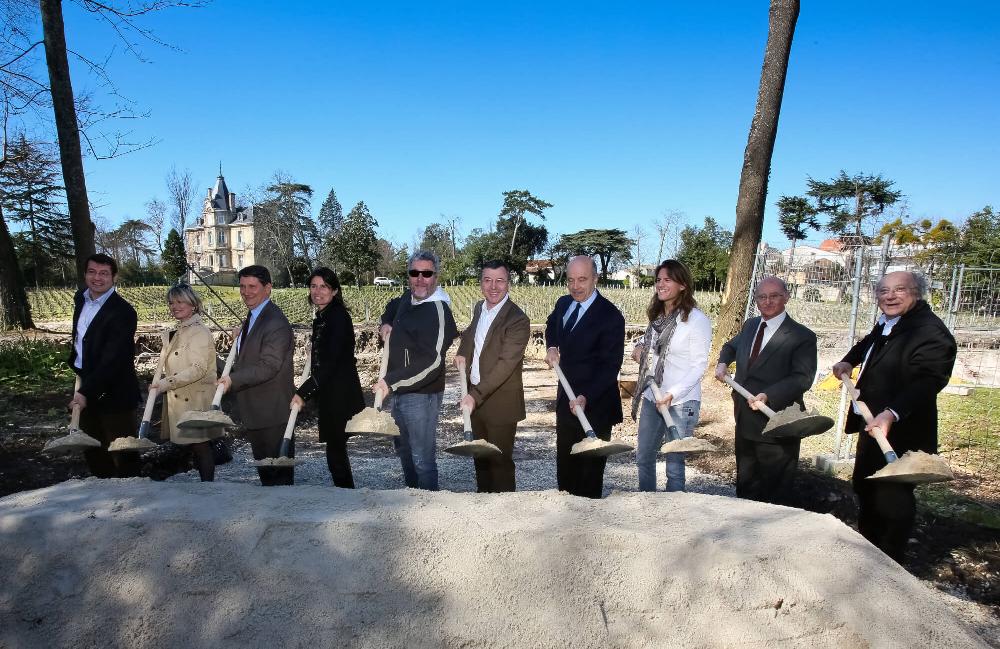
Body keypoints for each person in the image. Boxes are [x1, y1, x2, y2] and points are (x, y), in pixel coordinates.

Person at [831, 271, 956, 563]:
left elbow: (929, 380)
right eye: (884, 291)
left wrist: (892, 413)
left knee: (891, 499)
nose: (890, 296)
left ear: (917, 293)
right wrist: (850, 359)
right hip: (872, 424)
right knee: (865, 486)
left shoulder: (930, 331)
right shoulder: (891, 322)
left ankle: (889, 565)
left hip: (901, 432)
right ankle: (867, 551)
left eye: (899, 289)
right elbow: (871, 342)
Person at [715, 276, 817, 506]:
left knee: (775, 492)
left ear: (786, 297)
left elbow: (803, 378)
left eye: (774, 296)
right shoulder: (751, 325)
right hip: (745, 419)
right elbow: (731, 346)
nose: (767, 301)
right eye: (762, 297)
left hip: (777, 424)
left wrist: (769, 394)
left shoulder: (802, 336)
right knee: (746, 485)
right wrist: (723, 362)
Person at [544, 255, 625, 499]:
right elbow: (551, 324)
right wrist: (551, 345)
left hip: (595, 406)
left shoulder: (611, 317)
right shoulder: (563, 304)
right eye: (571, 280)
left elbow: (610, 367)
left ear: (596, 279)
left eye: (582, 279)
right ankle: (566, 525)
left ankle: (588, 530)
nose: (576, 286)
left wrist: (585, 396)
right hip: (565, 402)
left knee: (588, 478)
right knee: (566, 472)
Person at [377, 250, 458, 491]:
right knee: (404, 453)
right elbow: (391, 308)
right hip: (399, 392)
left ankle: (428, 507)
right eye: (414, 273)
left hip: (422, 395)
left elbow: (432, 363)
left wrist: (390, 382)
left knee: (423, 460)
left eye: (426, 273)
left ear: (436, 277)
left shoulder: (439, 311)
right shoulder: (406, 299)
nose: (420, 279)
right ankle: (412, 500)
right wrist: (385, 323)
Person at [631, 260, 712, 492]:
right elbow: (649, 344)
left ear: (683, 285)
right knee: (644, 457)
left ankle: (675, 516)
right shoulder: (658, 317)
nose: (660, 284)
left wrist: (672, 393)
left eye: (667, 280)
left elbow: (699, 365)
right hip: (651, 396)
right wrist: (637, 347)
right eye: (658, 280)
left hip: (679, 401)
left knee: (674, 465)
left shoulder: (696, 320)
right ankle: (647, 505)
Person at [455, 260, 531, 492]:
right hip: (476, 399)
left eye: (500, 280)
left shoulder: (518, 320)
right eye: (488, 280)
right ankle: (483, 509)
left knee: (500, 464)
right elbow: (470, 334)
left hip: (501, 403)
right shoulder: (480, 307)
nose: (493, 286)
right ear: (481, 283)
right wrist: (462, 352)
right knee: (481, 460)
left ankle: (505, 517)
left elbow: (505, 365)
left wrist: (474, 395)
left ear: (508, 284)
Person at [218, 265, 296, 486]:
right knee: (266, 476)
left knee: (278, 479)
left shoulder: (276, 322)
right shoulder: (254, 315)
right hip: (256, 411)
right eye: (242, 286)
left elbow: (269, 366)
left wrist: (233, 380)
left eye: (252, 286)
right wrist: (241, 337)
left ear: (268, 288)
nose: (246, 292)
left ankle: (282, 520)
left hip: (272, 412)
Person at [68, 253, 141, 478]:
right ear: (85, 274)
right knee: (92, 447)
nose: (97, 278)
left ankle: (133, 501)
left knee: (123, 450)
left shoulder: (123, 312)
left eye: (104, 273)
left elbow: (113, 359)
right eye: (92, 272)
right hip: (86, 381)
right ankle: (104, 496)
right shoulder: (80, 299)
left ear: (114, 277)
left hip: (114, 391)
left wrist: (85, 393)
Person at [291, 268, 365, 488]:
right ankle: (345, 495)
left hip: (340, 395)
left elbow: (331, 363)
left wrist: (303, 392)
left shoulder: (338, 317)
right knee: (336, 451)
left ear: (334, 291)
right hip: (332, 393)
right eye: (313, 286)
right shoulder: (324, 316)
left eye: (324, 286)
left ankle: (346, 497)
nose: (317, 291)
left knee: (336, 452)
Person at [155, 284, 221, 482]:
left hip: (194, 398)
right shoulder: (178, 332)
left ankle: (207, 488)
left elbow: (198, 369)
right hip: (182, 396)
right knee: (196, 445)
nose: (175, 306)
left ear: (193, 304)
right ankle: (204, 486)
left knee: (200, 445)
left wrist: (168, 383)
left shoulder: (199, 332)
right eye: (171, 302)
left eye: (180, 301)